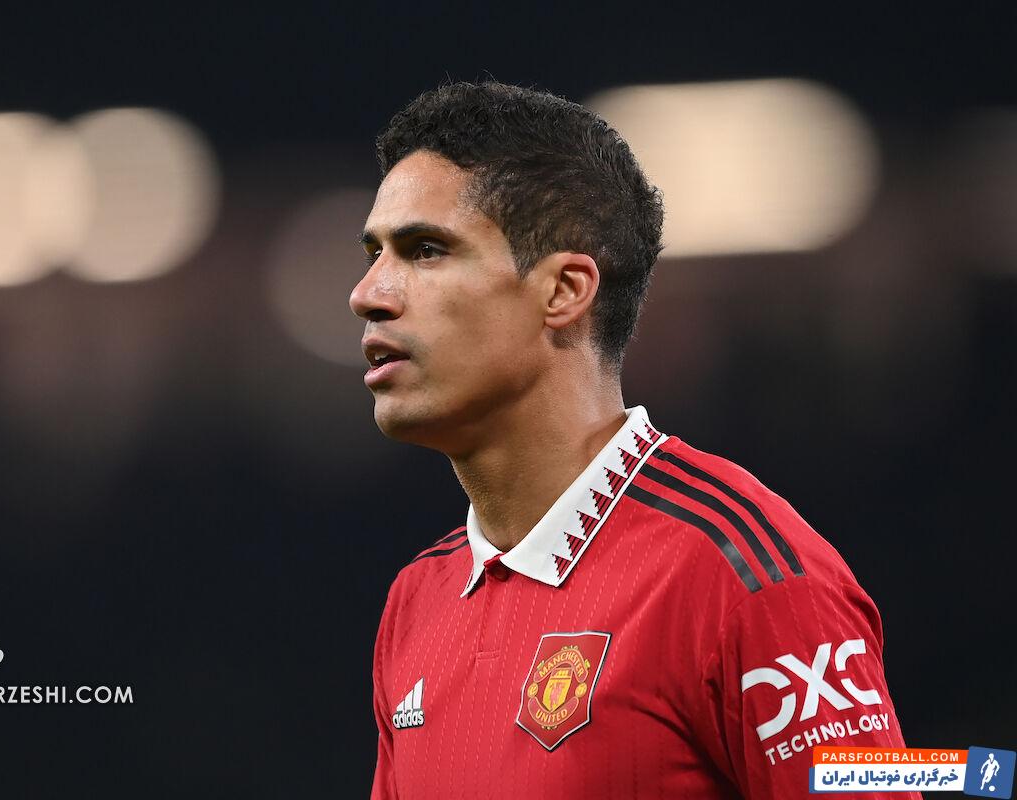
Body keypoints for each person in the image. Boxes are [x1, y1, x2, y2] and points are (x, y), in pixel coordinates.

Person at [351, 81, 913, 800]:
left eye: (425, 250)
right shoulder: (416, 602)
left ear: (563, 291)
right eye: (373, 253)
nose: (367, 293)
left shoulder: (742, 572)